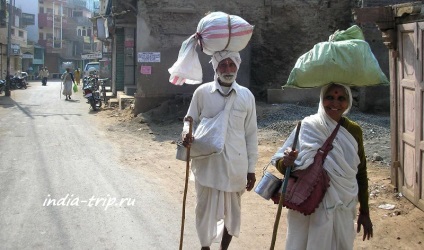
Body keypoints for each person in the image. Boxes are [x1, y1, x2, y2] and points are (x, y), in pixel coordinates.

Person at [271, 83, 373, 249]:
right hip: (309, 204)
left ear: (348, 102)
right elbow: (281, 164)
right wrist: (287, 161)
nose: (335, 103)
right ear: (321, 99)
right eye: (329, 97)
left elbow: (360, 172)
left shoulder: (354, 131)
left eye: (341, 98)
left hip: (342, 204)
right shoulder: (308, 126)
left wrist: (365, 211)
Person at [182, 51, 258, 250]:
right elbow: (190, 119)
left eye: (231, 65)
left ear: (237, 67)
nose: (227, 69)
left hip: (236, 165)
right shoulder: (202, 92)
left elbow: (251, 134)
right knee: (204, 210)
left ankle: (224, 249)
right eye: (223, 65)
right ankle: (205, 247)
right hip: (208, 165)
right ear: (215, 68)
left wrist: (251, 168)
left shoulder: (246, 96)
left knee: (232, 213)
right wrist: (186, 133)